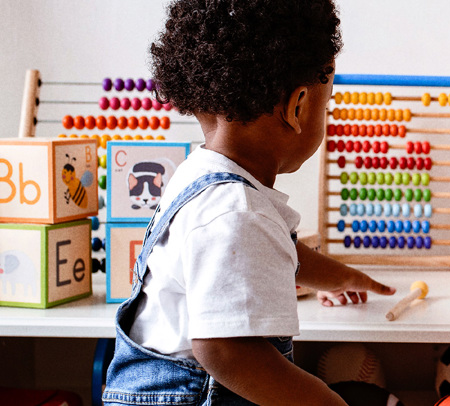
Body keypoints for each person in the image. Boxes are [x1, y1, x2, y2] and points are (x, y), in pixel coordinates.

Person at [101, 1, 395, 405]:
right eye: (324, 106)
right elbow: (227, 352)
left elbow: (270, 252)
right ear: (297, 108)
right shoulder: (237, 212)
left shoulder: (202, 179)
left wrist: (341, 277)